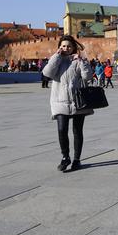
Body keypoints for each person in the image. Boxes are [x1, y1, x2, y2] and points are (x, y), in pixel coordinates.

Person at [42, 35, 94, 172]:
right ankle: (65, 157)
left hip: (78, 101)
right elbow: (47, 73)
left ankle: (77, 159)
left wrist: (82, 61)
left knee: (77, 131)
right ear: (60, 47)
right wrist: (56, 57)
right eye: (63, 46)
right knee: (61, 130)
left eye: (69, 46)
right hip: (60, 100)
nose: (66, 48)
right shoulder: (56, 59)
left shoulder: (78, 60)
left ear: (73, 47)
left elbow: (87, 77)